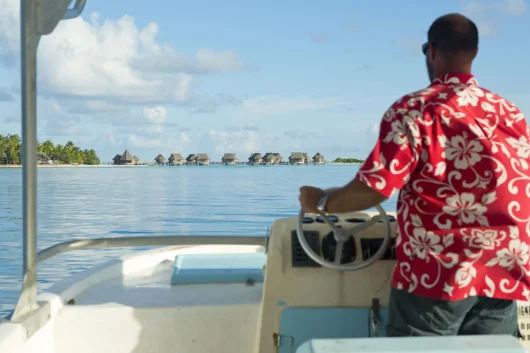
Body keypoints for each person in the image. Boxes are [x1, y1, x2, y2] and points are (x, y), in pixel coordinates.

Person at [299, 13, 530, 337]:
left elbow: (375, 188)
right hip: (502, 271)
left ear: (431, 51)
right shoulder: (510, 113)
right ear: (474, 53)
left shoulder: (413, 110)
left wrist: (320, 202)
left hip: (436, 275)